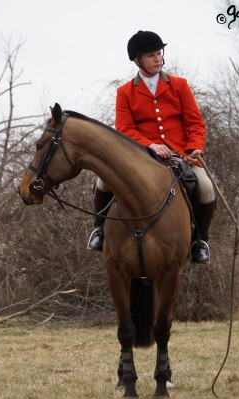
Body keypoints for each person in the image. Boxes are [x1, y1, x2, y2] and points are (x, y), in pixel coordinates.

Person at [88, 30, 216, 264]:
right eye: (151, 55)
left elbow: (195, 123)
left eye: (159, 53)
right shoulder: (125, 92)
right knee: (103, 180)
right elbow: (124, 129)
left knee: (206, 187)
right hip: (140, 156)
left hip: (181, 156)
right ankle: (99, 230)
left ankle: (200, 241)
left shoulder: (179, 86)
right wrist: (150, 145)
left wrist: (193, 148)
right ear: (138, 60)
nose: (158, 58)